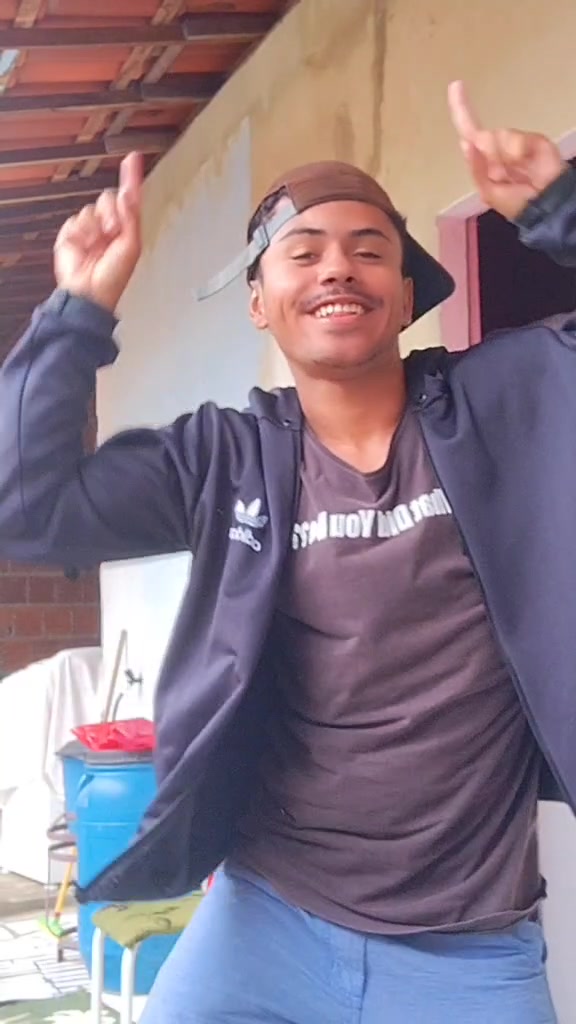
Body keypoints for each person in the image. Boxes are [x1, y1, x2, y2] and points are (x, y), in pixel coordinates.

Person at [0, 80, 573, 1022]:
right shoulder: (223, 458)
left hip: (471, 948)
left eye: (369, 250)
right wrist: (76, 311)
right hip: (268, 919)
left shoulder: (502, 404)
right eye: (302, 253)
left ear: (405, 296)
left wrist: (559, 210)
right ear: (261, 303)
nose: (337, 267)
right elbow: (27, 508)